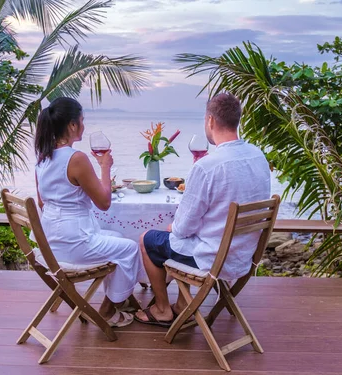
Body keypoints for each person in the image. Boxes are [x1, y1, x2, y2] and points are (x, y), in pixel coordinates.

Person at [135, 93, 271, 326]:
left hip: (211, 261)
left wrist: (174, 227)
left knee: (148, 239)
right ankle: (182, 305)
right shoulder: (257, 156)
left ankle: (161, 309)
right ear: (237, 120)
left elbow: (183, 228)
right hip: (242, 257)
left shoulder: (207, 166)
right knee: (181, 237)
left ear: (210, 121)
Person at [34, 97, 142, 327]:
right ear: (72, 125)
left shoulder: (42, 158)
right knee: (130, 249)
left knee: (118, 239)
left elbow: (42, 203)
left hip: (52, 244)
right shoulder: (76, 159)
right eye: (82, 120)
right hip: (74, 244)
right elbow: (104, 202)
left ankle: (121, 300)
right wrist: (104, 167)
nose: (83, 125)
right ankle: (107, 310)